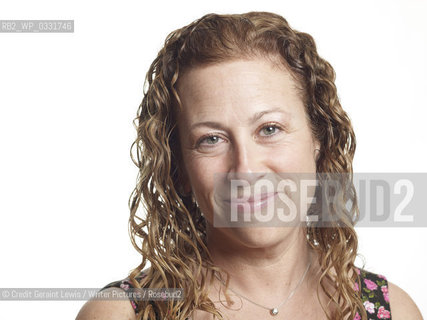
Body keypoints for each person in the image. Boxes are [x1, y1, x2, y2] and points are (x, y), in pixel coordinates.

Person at [76, 11, 423, 320]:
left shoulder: (392, 311)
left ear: (319, 138)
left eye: (269, 130)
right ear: (178, 167)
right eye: (211, 139)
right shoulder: (122, 314)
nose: (245, 169)